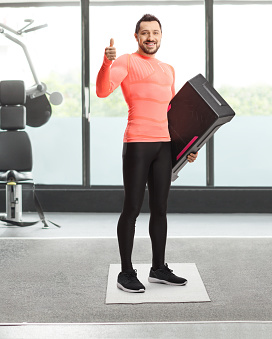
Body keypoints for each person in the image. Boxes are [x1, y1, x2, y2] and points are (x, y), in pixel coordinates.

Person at [96, 14, 198, 293]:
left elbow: (172, 115)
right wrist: (106, 62)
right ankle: (126, 273)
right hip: (138, 143)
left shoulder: (168, 69)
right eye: (145, 33)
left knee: (161, 209)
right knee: (132, 208)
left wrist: (187, 148)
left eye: (155, 32)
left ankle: (158, 268)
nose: (150, 37)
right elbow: (103, 91)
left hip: (164, 145)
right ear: (137, 37)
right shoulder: (127, 61)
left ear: (161, 37)